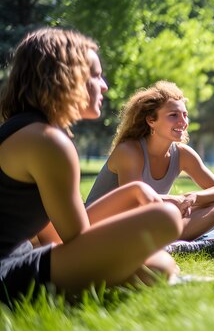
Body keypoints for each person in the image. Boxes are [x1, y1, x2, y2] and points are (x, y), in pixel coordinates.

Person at [0, 27, 184, 305]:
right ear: (65, 76)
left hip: (20, 259)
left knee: (156, 266)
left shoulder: (24, 130)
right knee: (166, 218)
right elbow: (78, 240)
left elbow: (54, 237)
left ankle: (163, 278)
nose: (104, 86)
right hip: (6, 276)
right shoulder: (47, 141)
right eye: (95, 75)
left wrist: (132, 192)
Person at [85, 80, 214, 248]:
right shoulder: (130, 151)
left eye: (185, 114)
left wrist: (192, 197)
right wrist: (172, 200)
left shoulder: (183, 154)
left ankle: (168, 243)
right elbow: (133, 201)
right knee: (164, 214)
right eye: (173, 115)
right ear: (151, 121)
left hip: (147, 220)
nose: (183, 121)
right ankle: (168, 241)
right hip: (104, 223)